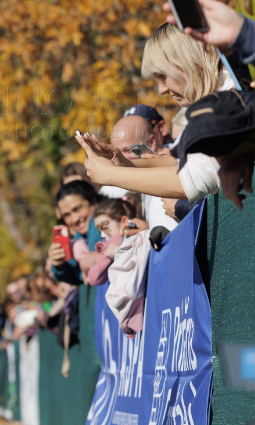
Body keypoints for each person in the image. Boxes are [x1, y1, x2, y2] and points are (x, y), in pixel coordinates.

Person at [77, 24, 232, 202]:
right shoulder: (214, 102)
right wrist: (122, 163)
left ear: (187, 61)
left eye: (163, 76)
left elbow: (196, 179)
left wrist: (111, 174)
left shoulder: (227, 99)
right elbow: (183, 163)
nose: (161, 90)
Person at [109, 116, 178, 231]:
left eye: (127, 150)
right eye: (117, 153)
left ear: (151, 142)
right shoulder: (140, 180)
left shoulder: (174, 170)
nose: (121, 159)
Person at [47, 180, 102, 285]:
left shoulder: (113, 221)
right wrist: (60, 265)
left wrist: (102, 254)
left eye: (77, 209)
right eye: (67, 215)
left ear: (93, 202)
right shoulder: (78, 240)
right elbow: (77, 277)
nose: (74, 219)